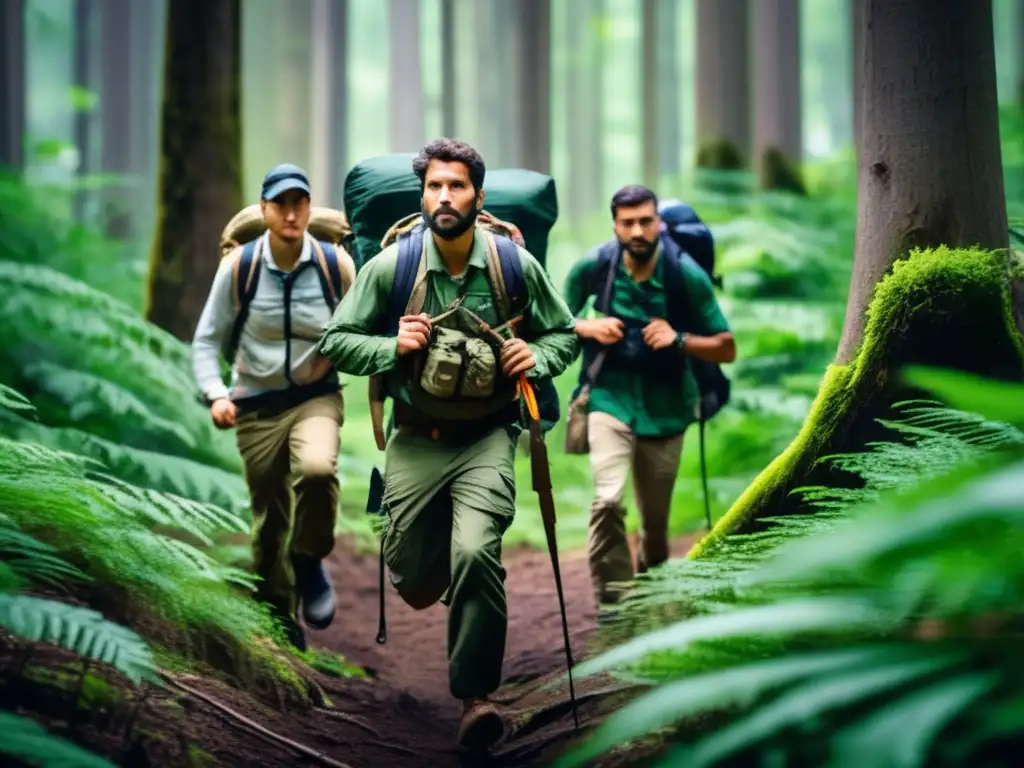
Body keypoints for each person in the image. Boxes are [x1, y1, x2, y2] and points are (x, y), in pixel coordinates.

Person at [317, 139, 579, 752]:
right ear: (423, 195)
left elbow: (564, 334)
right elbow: (335, 340)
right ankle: (452, 596)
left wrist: (535, 356)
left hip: (488, 436)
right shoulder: (393, 268)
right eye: (435, 186)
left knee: (474, 553)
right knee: (411, 576)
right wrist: (390, 348)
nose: (444, 197)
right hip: (414, 438)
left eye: (456, 186)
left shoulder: (515, 267)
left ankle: (476, 699)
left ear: (477, 197)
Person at [191, 163, 356, 651]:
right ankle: (279, 620)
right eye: (280, 203)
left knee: (318, 469)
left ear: (309, 208)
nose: (290, 212)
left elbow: (362, 326)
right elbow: (205, 341)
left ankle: (309, 560)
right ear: (263, 210)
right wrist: (216, 394)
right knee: (269, 521)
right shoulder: (238, 268)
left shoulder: (334, 265)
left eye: (299, 203)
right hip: (255, 404)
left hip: (315, 397)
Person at [563, 184, 736, 610]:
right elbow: (551, 320)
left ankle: (652, 599)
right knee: (607, 500)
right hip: (608, 399)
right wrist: (588, 327)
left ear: (658, 222)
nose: (638, 230)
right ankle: (616, 605)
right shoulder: (595, 267)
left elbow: (727, 346)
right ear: (615, 226)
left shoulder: (684, 274)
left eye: (646, 221)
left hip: (668, 409)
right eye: (628, 223)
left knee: (655, 528)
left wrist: (679, 339)